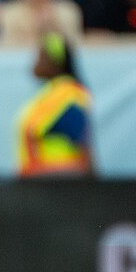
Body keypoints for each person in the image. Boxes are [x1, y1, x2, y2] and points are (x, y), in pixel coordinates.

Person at [16, 32, 93, 177]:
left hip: (60, 182)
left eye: (40, 56)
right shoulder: (51, 93)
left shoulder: (68, 96)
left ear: (54, 62)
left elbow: (84, 147)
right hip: (41, 181)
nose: (35, 62)